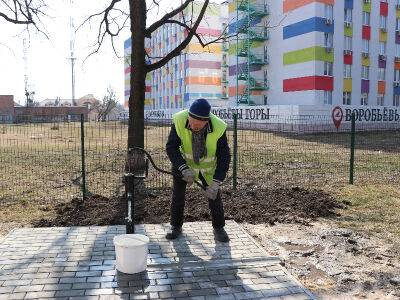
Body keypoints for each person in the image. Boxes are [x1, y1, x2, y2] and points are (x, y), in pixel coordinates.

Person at [165, 98, 231, 242]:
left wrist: (216, 182)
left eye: (198, 125)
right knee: (178, 196)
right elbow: (171, 147)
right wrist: (183, 168)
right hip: (184, 165)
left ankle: (219, 228)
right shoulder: (179, 120)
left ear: (206, 122)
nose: (193, 126)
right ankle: (176, 226)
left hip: (208, 168)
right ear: (188, 115)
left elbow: (224, 156)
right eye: (192, 122)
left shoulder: (219, 127)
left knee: (214, 196)